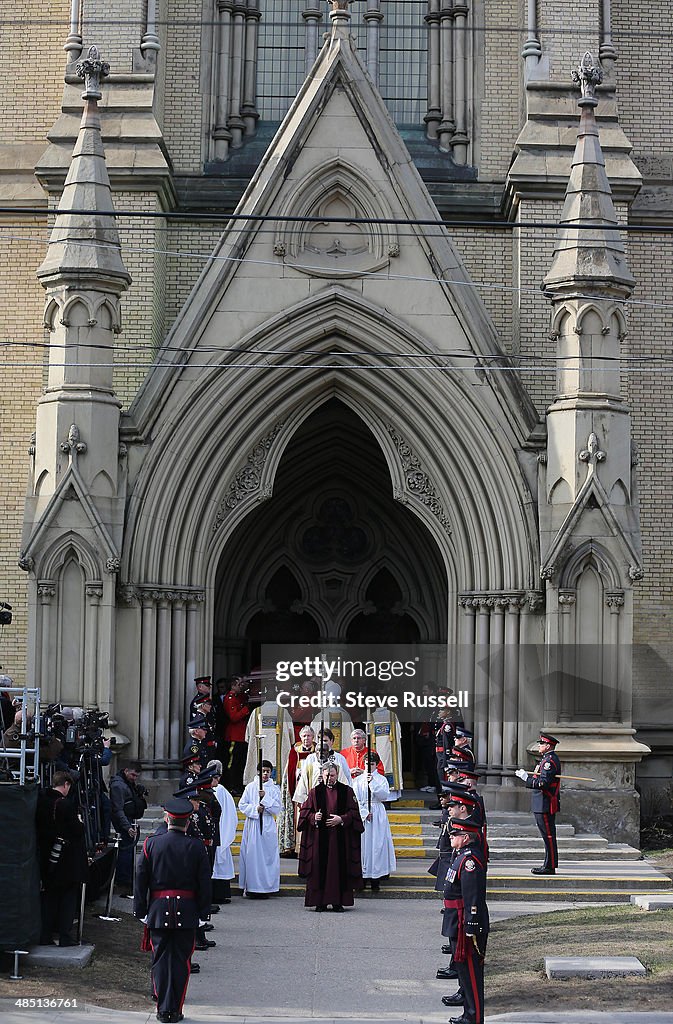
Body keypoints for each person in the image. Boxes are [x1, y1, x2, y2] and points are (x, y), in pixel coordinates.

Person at [134, 797, 212, 1024]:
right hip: (187, 911)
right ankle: (174, 1009)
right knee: (181, 962)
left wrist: (141, 910)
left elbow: (141, 879)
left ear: (167, 818)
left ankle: (162, 1007)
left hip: (158, 910)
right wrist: (203, 913)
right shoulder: (196, 846)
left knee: (160, 960)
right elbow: (204, 882)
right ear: (187, 822)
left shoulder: (150, 844)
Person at [297, 762, 364, 912]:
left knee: (338, 869)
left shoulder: (346, 791)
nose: (329, 778)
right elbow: (304, 813)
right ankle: (319, 902)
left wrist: (342, 819)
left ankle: (337, 902)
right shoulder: (315, 792)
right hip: (320, 839)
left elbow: (354, 813)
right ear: (323, 775)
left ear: (337, 774)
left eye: (332, 775)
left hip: (340, 839)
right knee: (318, 870)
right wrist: (314, 816)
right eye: (327, 775)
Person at [441, 817, 489, 1024]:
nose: (451, 836)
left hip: (465, 923)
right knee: (464, 972)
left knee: (471, 973)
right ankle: (469, 1013)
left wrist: (471, 925)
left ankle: (474, 1017)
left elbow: (472, 896)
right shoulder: (460, 855)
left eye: (455, 834)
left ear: (466, 838)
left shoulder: (470, 861)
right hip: (456, 920)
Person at [36, 770, 89, 946]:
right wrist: (80, 822)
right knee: (68, 897)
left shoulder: (42, 801)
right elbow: (77, 830)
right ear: (66, 784)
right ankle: (65, 936)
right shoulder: (65, 805)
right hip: (66, 859)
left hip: (47, 855)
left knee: (49, 897)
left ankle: (45, 934)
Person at [515, 731, 561, 875]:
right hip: (542, 803)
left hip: (545, 803)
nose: (539, 746)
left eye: (542, 743)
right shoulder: (546, 759)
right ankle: (548, 864)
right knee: (547, 836)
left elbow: (543, 783)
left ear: (548, 746)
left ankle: (550, 866)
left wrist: (526, 779)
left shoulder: (549, 761)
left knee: (548, 836)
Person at [352, 751, 395, 890]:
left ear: (376, 765)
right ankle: (362, 877)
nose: (368, 767)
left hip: (377, 813)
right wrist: (363, 812)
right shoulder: (357, 780)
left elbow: (384, 796)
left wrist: (372, 783)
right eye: (366, 764)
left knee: (377, 845)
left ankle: (376, 877)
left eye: (371, 764)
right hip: (363, 813)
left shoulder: (381, 779)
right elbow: (355, 798)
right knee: (364, 846)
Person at [238, 759, 282, 898]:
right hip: (254, 824)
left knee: (267, 856)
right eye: (263, 771)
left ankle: (267, 887)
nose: (265, 774)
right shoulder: (251, 787)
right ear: (258, 772)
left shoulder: (274, 789)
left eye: (268, 771)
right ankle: (252, 887)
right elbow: (242, 804)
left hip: (268, 823)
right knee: (253, 856)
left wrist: (266, 798)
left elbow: (277, 808)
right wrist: (255, 809)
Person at [110, 761, 147, 893]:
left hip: (128, 818)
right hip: (124, 820)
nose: (134, 778)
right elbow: (118, 809)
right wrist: (127, 827)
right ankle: (124, 881)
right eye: (132, 775)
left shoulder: (127, 783)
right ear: (126, 771)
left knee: (128, 850)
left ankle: (127, 879)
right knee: (125, 850)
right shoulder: (118, 786)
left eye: (136, 776)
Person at [277, 725, 315, 857]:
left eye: (309, 736)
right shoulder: (295, 751)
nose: (306, 738)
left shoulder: (317, 751)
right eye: (304, 736)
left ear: (313, 737)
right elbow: (290, 770)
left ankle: (307, 848)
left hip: (311, 789)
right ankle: (293, 847)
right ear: (300, 737)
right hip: (297, 789)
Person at [293, 728, 351, 806]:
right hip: (313, 801)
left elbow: (346, 781)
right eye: (320, 741)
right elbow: (304, 781)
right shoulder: (311, 759)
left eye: (325, 741)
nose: (323, 743)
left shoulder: (339, 759)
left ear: (332, 741)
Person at [242, 700, 294, 786]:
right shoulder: (283, 712)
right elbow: (291, 737)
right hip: (278, 756)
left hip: (260, 753)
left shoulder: (256, 712)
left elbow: (247, 736)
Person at [209, 760, 237, 903]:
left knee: (216, 864)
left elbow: (228, 814)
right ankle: (218, 894)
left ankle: (217, 894)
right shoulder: (217, 791)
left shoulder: (220, 791)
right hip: (217, 832)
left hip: (218, 832)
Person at [222, 676, 251, 795]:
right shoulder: (229, 698)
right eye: (239, 685)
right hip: (234, 736)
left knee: (240, 762)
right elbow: (233, 717)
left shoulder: (239, 697)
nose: (241, 687)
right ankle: (231, 786)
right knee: (233, 763)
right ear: (233, 686)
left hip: (241, 736)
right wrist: (246, 709)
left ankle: (238, 785)